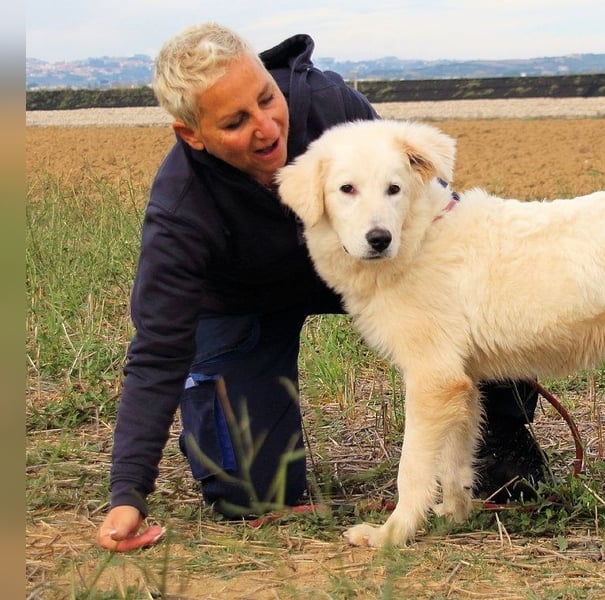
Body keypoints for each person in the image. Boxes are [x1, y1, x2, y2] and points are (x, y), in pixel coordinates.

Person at [96, 22, 547, 552]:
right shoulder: (180, 210)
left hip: (368, 266)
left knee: (468, 289)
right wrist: (128, 491)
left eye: (267, 98)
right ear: (191, 134)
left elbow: (444, 221)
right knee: (251, 493)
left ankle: (504, 428)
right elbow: (156, 352)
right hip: (247, 305)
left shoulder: (332, 105)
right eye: (237, 121)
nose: (266, 127)